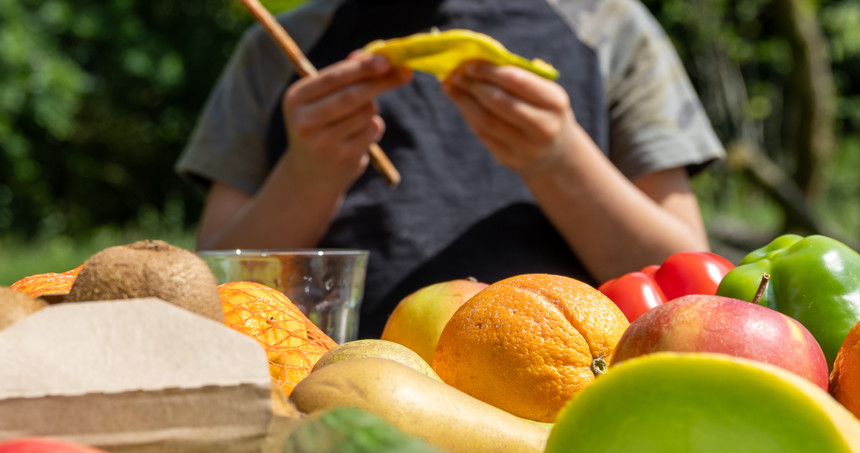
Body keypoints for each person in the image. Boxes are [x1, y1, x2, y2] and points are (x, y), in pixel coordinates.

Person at [177, 0, 725, 337]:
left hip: (563, 406)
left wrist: (559, 160)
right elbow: (213, 290)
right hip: (334, 402)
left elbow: (686, 291)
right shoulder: (277, 50)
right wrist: (309, 177)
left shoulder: (610, 29)